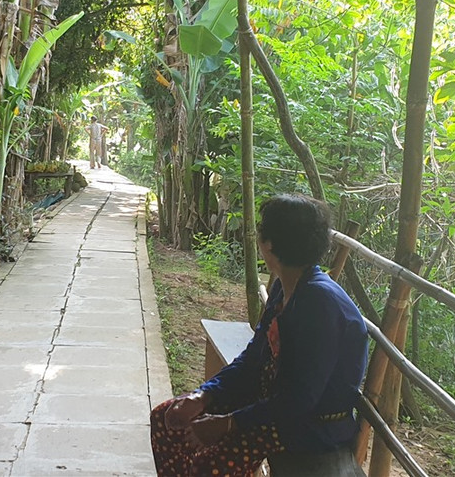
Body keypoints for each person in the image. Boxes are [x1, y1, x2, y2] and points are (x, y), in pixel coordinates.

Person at [150, 194, 368, 477]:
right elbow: (254, 357)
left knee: (210, 466)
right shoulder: (285, 288)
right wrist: (204, 396)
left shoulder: (319, 304)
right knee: (167, 418)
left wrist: (228, 423)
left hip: (310, 425)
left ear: (269, 244)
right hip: (272, 403)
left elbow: (300, 400)